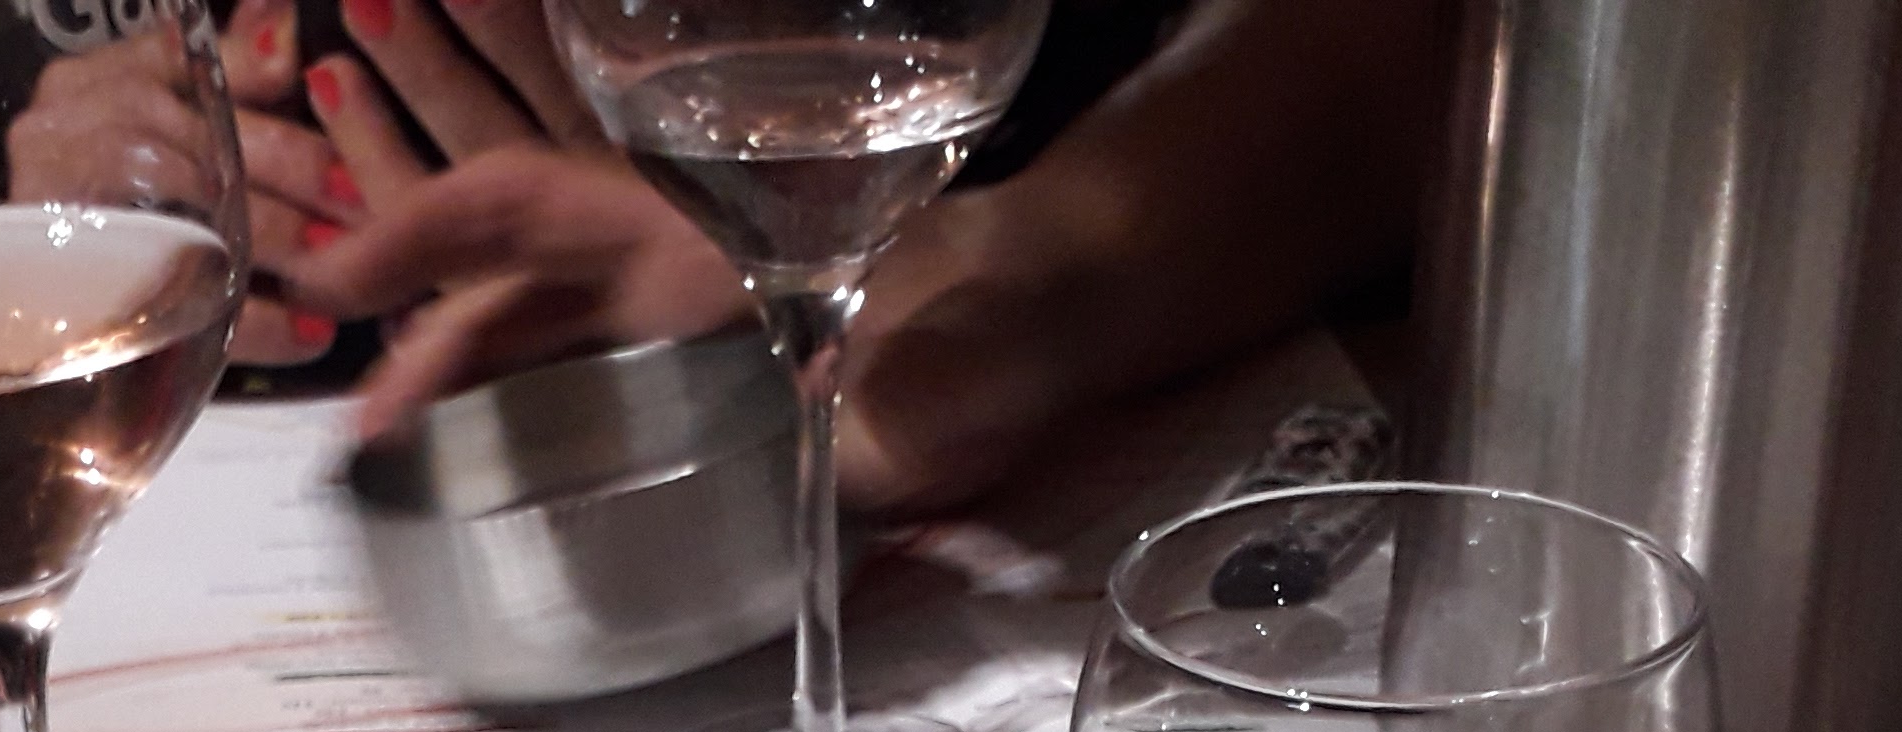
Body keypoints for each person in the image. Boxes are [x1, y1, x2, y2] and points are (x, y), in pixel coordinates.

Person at [226, 0, 1422, 512]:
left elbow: (1420, 43)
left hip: (1100, 414)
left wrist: (1022, 257)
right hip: (273, 468)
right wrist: (159, 156)